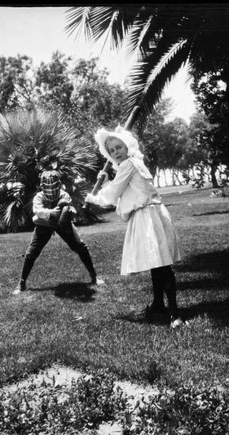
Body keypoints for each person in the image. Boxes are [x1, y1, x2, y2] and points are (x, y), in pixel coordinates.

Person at [85, 126, 185, 328]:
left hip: (148, 215)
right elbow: (122, 189)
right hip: (150, 214)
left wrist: (93, 197)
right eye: (111, 150)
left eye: (118, 147)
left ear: (127, 146)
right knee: (157, 262)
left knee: (163, 265)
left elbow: (114, 193)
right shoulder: (132, 164)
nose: (116, 152)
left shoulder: (129, 163)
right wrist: (105, 183)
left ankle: (175, 315)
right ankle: (158, 305)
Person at [13, 170, 104, 295]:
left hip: (62, 224)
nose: (50, 189)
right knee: (31, 252)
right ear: (42, 186)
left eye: (53, 185)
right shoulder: (39, 196)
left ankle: (94, 276)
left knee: (81, 246)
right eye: (47, 186)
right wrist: (51, 212)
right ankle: (21, 282)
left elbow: (68, 210)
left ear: (59, 184)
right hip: (44, 224)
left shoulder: (64, 195)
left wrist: (68, 212)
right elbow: (37, 211)